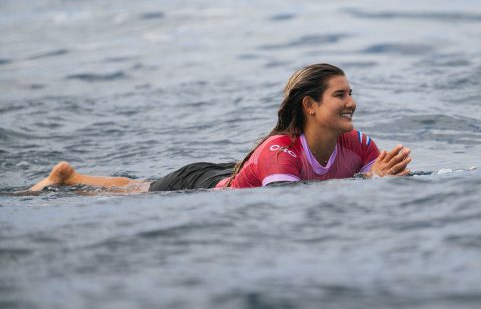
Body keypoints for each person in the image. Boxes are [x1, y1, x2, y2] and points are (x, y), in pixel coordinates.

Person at [29, 63, 412, 192]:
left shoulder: (358, 143)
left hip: (234, 174)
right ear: (310, 106)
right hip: (200, 186)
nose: (352, 103)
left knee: (137, 186)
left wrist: (381, 176)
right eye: (340, 95)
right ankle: (70, 180)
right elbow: (291, 208)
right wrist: (368, 180)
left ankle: (72, 176)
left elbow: (372, 186)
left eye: (351, 93)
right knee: (136, 191)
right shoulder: (280, 151)